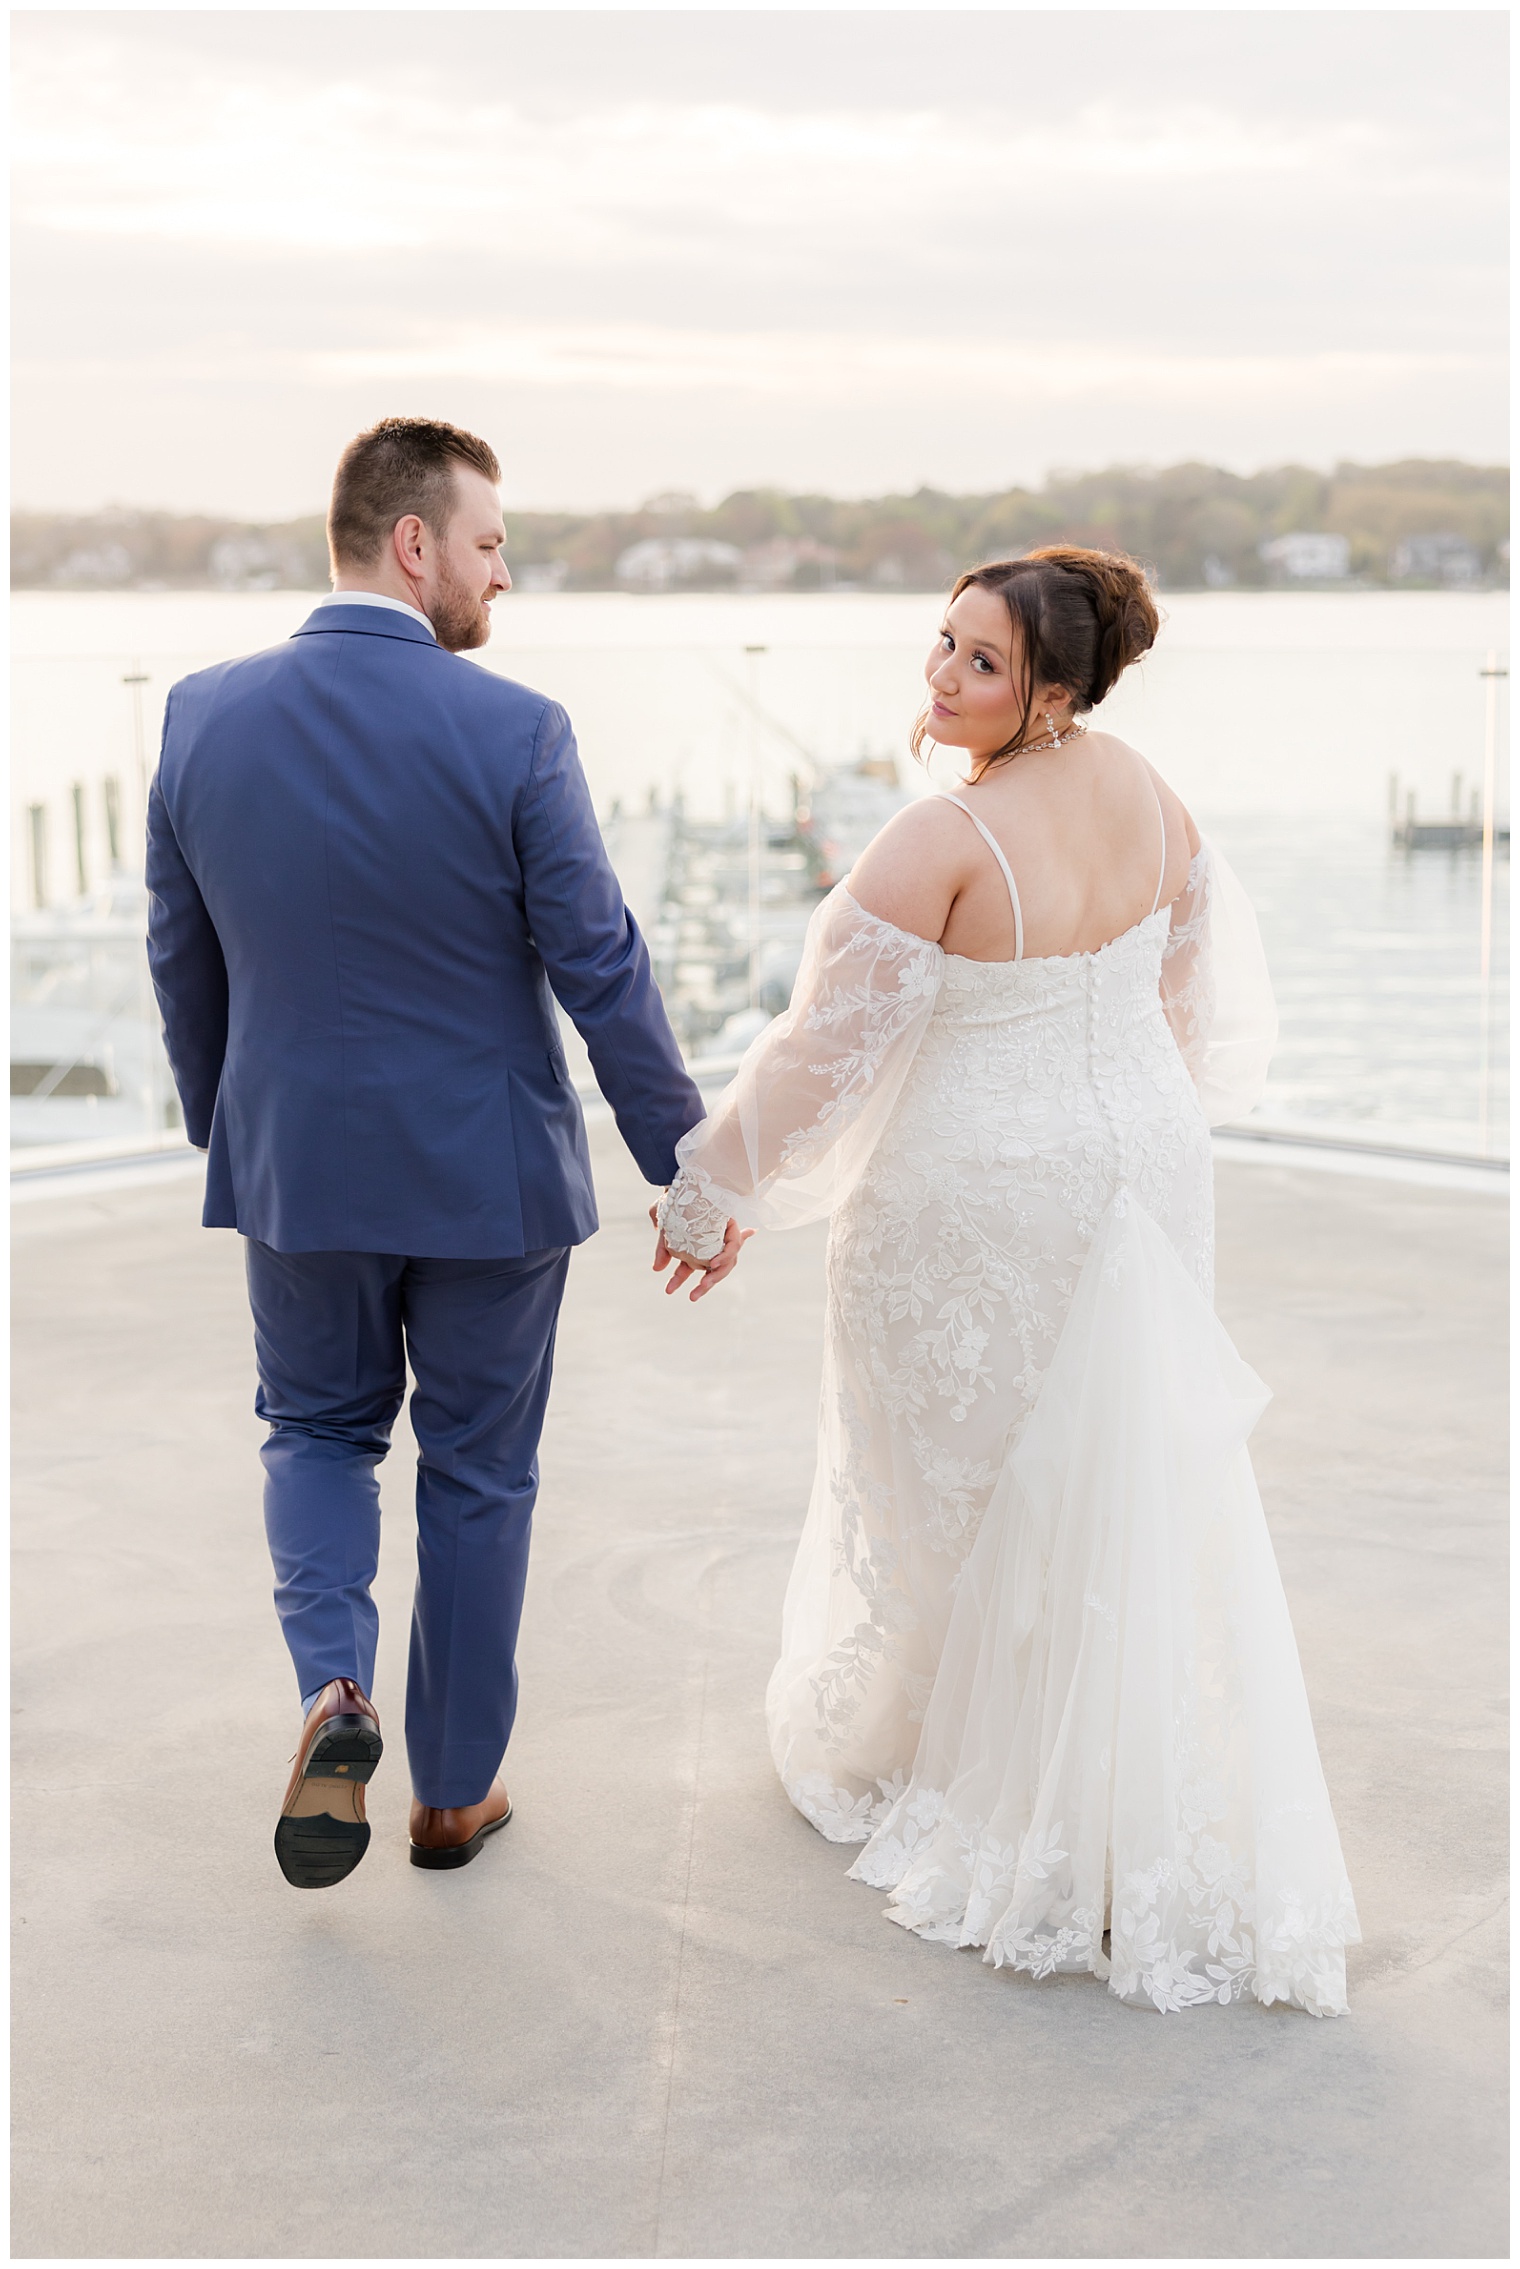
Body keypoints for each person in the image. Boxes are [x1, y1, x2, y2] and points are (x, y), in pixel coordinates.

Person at [654, 547, 1360, 2015]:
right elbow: (1185, 995)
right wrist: (1117, 1107)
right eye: (942, 643)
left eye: (980, 661)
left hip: (982, 1194)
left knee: (956, 1474)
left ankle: (958, 1759)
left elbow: (817, 1060)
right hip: (1146, 1167)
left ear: (1049, 692)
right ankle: (1101, 1768)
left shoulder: (940, 838)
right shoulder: (1151, 795)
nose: (940, 676)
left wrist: (712, 1188)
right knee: (1120, 1474)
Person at [147, 416, 745, 1888]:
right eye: (489, 544)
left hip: (299, 1165)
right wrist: (687, 1165)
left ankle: (334, 1692)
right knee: (478, 1474)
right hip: (488, 1176)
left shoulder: (198, 715)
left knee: (317, 1431)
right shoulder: (517, 729)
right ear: (413, 545)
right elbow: (598, 963)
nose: (503, 574)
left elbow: (181, 957)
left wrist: (230, 1125)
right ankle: (453, 1793)